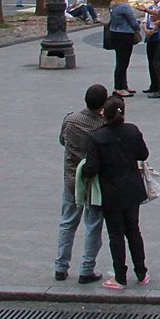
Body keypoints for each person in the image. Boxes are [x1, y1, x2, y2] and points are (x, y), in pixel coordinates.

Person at [81, 95, 149, 290]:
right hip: (132, 188)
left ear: (104, 113)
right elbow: (143, 154)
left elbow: (92, 167)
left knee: (115, 234)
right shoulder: (132, 131)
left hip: (110, 192)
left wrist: (83, 170)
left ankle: (120, 276)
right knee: (134, 230)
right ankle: (141, 272)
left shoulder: (98, 137)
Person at [56, 83, 107, 284]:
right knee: (93, 224)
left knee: (67, 222)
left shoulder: (70, 120)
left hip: (71, 178)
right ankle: (87, 268)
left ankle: (61, 266)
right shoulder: (102, 126)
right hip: (94, 182)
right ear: (102, 105)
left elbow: (62, 141)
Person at [105, 0, 143, 96]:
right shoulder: (125, 7)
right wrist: (138, 25)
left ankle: (123, 85)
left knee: (120, 60)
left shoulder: (113, 6)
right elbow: (133, 22)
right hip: (125, 35)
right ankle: (119, 87)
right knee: (123, 62)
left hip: (114, 34)